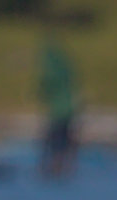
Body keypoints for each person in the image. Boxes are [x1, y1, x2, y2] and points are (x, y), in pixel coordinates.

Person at [38, 35, 78, 177]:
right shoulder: (65, 66)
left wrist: (40, 92)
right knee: (66, 138)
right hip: (68, 109)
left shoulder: (53, 67)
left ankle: (53, 165)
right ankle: (64, 165)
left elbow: (46, 84)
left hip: (59, 111)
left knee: (52, 139)